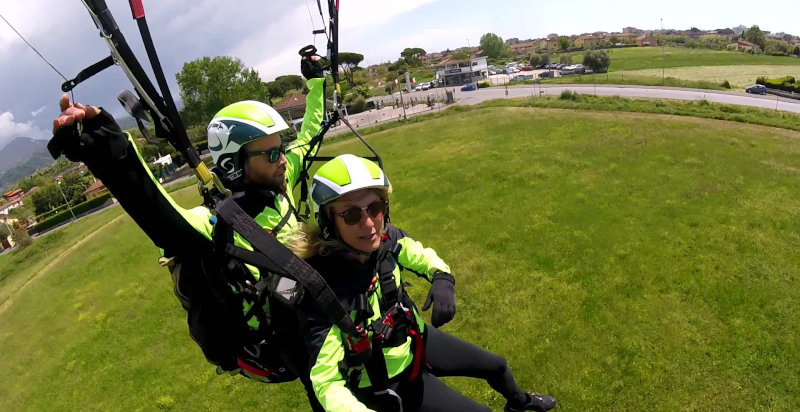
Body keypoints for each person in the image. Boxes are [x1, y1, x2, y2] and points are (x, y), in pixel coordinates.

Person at [49, 54, 456, 412]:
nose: (284, 159)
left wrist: (315, 82)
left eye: (282, 148)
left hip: (337, 314)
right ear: (236, 162)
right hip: (299, 342)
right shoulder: (218, 225)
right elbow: (159, 214)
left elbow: (311, 132)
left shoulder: (278, 185)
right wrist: (110, 151)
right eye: (272, 152)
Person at [291, 154, 557, 412]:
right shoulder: (322, 290)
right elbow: (326, 382)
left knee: (497, 365)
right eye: (351, 215)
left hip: (415, 341)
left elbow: (420, 255)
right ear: (328, 222)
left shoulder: (386, 240)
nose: (369, 223)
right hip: (388, 380)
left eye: (375, 208)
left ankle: (519, 402)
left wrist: (442, 277)